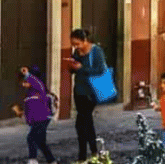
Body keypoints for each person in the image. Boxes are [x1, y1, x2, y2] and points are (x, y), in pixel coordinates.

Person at [65, 28, 106, 163]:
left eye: (77, 44)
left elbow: (100, 70)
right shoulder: (77, 52)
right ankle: (92, 153)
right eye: (73, 44)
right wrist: (72, 66)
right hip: (79, 91)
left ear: (85, 40)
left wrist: (81, 68)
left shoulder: (96, 51)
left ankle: (85, 154)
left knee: (83, 122)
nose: (76, 47)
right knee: (84, 123)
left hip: (91, 92)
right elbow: (74, 70)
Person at [13, 66, 57, 164]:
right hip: (38, 119)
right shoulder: (30, 93)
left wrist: (27, 74)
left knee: (31, 138)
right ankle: (52, 160)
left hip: (43, 118)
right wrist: (20, 113)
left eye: (25, 81)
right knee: (41, 141)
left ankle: (32, 160)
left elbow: (34, 81)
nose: (24, 84)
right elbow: (30, 109)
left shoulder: (39, 86)